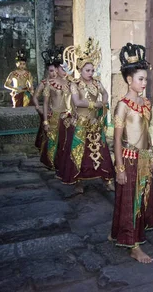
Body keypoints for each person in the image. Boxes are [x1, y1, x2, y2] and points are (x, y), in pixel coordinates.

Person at [110, 43, 153, 263]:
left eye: (145, 79)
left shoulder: (145, 103)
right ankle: (134, 245)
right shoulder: (123, 105)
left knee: (140, 199)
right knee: (130, 201)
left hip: (143, 158)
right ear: (129, 80)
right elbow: (117, 139)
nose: (144, 82)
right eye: (141, 79)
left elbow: (146, 133)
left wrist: (151, 156)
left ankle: (118, 233)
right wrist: (119, 167)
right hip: (128, 160)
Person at [55, 38, 114, 193]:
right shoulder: (74, 84)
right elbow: (77, 102)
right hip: (81, 122)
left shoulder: (96, 83)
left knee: (102, 151)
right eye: (87, 70)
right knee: (78, 152)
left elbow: (105, 93)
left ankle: (107, 180)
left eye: (92, 70)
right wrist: (97, 104)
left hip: (95, 122)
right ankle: (78, 182)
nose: (90, 73)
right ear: (80, 70)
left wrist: (105, 102)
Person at [40, 47, 70, 170]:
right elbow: (45, 103)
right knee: (53, 141)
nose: (62, 70)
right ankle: (52, 163)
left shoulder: (69, 83)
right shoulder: (49, 84)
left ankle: (65, 163)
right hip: (54, 116)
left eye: (63, 67)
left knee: (66, 141)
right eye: (60, 67)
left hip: (68, 116)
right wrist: (45, 121)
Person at [34, 49, 58, 150]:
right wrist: (37, 107)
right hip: (48, 111)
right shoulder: (44, 83)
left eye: (56, 70)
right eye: (51, 71)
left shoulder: (63, 82)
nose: (54, 73)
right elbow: (35, 96)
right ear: (48, 71)